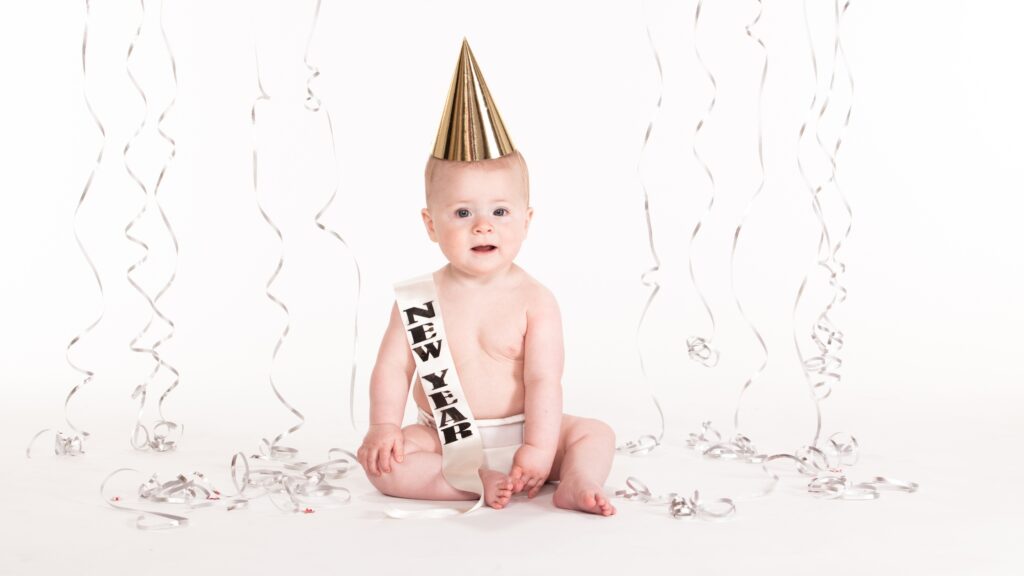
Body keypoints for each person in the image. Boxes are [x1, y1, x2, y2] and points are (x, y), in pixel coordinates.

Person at [356, 39, 616, 516]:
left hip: (522, 432)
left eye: (500, 210)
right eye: (462, 212)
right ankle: (469, 482)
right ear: (431, 225)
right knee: (385, 468)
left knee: (593, 434)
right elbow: (392, 369)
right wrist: (383, 428)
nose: (483, 225)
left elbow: (543, 380)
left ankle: (574, 480)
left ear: (526, 219)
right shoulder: (417, 298)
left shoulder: (535, 300)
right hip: (441, 437)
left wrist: (539, 450)